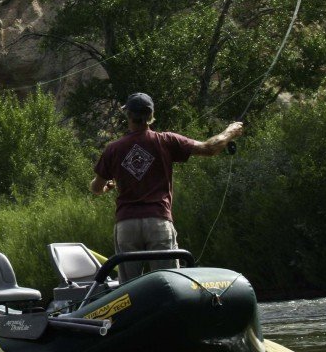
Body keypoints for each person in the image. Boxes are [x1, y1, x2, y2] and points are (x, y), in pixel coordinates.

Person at [90, 93, 244, 281]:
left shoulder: (113, 148)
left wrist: (106, 188)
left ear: (128, 115)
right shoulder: (166, 140)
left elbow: (95, 188)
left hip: (127, 225)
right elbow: (209, 148)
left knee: (128, 289)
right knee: (168, 282)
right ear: (151, 115)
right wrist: (230, 131)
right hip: (158, 222)